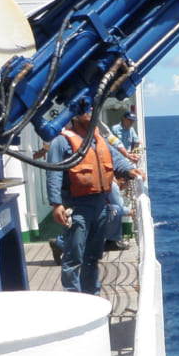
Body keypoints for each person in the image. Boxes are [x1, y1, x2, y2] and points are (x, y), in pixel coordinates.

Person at [45, 111, 145, 294]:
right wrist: (56, 204)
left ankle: (93, 295)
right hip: (76, 207)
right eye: (85, 109)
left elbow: (116, 160)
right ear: (74, 115)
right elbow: (54, 174)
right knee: (73, 257)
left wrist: (131, 171)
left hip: (100, 205)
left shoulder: (99, 140)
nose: (90, 111)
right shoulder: (61, 142)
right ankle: (74, 299)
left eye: (92, 108)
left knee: (92, 256)